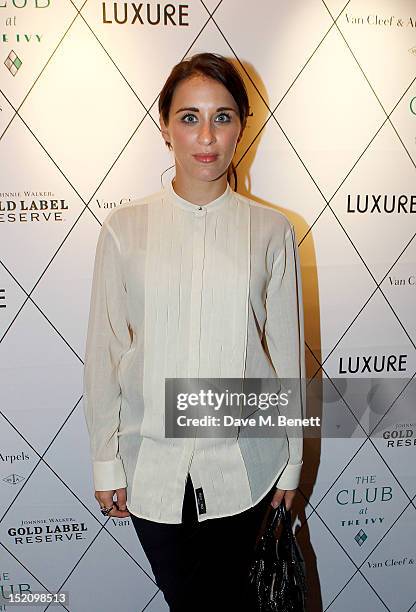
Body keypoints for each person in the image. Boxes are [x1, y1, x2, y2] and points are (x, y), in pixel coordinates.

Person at [83, 52, 306, 611]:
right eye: (189, 117)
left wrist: (293, 461)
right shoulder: (123, 230)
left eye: (223, 116)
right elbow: (105, 351)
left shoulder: (272, 231)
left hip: (246, 467)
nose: (206, 135)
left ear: (241, 127)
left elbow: (285, 359)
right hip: (150, 468)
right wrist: (105, 459)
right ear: (164, 127)